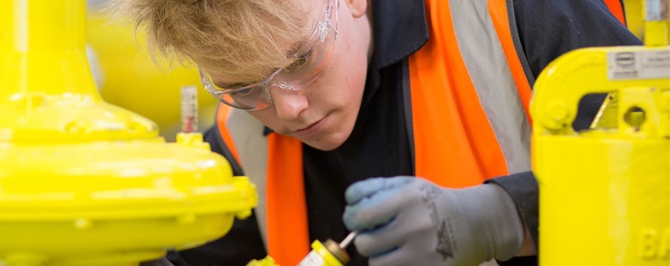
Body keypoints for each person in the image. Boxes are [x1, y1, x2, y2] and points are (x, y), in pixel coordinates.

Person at [117, 0, 641, 265]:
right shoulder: (240, 135)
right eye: (246, 86)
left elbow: (654, 180)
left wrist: (505, 217)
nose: (289, 108)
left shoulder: (516, 15)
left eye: (302, 59)